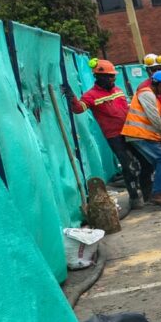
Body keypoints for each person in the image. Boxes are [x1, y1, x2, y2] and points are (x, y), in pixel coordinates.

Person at [64, 58, 150, 209]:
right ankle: (134, 196)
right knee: (128, 165)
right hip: (114, 136)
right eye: (110, 76)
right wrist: (71, 97)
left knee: (144, 161)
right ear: (99, 76)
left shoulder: (118, 90)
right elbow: (78, 109)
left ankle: (148, 192)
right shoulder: (91, 95)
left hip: (131, 130)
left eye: (113, 76)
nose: (113, 79)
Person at [121, 69, 161, 208]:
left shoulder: (151, 95)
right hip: (138, 134)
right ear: (160, 84)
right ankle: (157, 194)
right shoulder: (146, 94)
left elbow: (158, 117)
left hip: (143, 134)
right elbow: (154, 118)